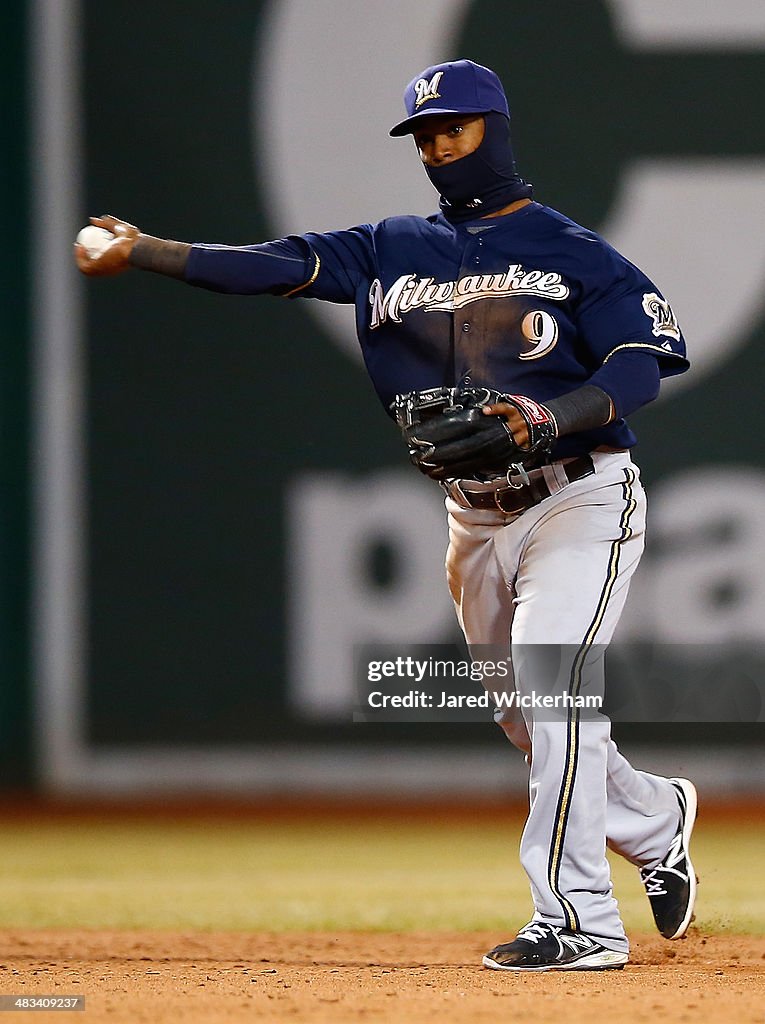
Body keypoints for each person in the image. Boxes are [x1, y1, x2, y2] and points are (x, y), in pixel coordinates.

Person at [75, 58, 697, 972]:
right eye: (426, 135)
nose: (441, 146)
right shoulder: (388, 246)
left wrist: (544, 414)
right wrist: (147, 250)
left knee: (555, 697)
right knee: (531, 721)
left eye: (457, 127)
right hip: (471, 521)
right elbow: (270, 266)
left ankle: (578, 921)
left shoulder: (577, 254)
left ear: (496, 127)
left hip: (580, 496)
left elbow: (640, 364)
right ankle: (655, 819)